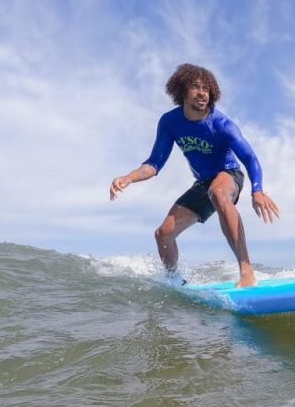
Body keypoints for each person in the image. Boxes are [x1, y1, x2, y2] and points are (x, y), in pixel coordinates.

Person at [109, 63, 280, 287]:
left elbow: (249, 157)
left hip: (229, 174)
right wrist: (129, 177)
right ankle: (174, 281)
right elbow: (154, 163)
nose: (202, 93)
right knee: (163, 234)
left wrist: (257, 190)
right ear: (182, 91)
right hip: (202, 183)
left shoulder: (221, 124)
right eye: (196, 87)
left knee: (218, 192)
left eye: (206, 89)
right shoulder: (170, 122)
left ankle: (246, 272)